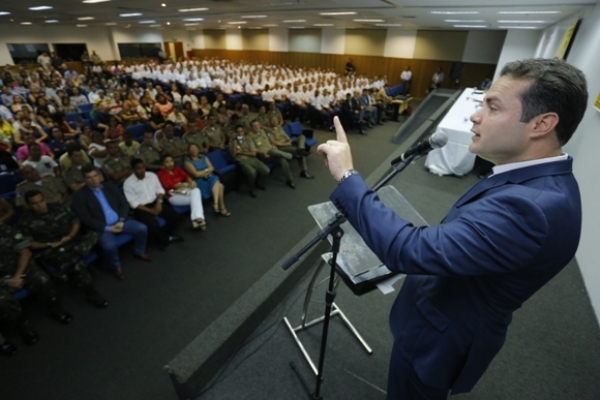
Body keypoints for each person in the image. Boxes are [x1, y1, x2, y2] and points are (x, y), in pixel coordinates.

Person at [316, 59, 588, 399]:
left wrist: (347, 176)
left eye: (492, 107)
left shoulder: (532, 208)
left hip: (438, 338)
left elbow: (409, 250)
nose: (475, 116)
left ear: (541, 124)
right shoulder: (532, 180)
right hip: (443, 310)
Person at [19, 190, 108, 308]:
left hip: (71, 240)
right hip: (53, 249)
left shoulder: (57, 207)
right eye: (35, 203)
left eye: (41, 201)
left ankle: (74, 256)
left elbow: (75, 220)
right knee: (77, 266)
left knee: (95, 234)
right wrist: (50, 244)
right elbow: (30, 244)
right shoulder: (25, 221)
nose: (40, 205)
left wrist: (71, 235)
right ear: (29, 205)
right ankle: (91, 293)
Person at [0, 223, 72, 356]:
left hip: (18, 267)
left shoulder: (3, 229)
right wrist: (6, 281)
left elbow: (25, 252)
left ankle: (54, 308)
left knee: (43, 280)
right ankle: (23, 326)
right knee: (3, 301)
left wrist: (17, 276)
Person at [71, 164, 151, 280]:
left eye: (95, 176)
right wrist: (107, 228)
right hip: (102, 227)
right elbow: (85, 219)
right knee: (109, 246)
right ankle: (116, 266)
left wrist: (122, 220)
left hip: (119, 221)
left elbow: (123, 203)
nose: (93, 180)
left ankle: (139, 251)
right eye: (89, 177)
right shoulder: (79, 196)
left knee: (142, 228)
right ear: (85, 179)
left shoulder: (109, 186)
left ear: (99, 176)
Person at [123, 158, 183, 249]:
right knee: (152, 225)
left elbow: (159, 189)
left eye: (143, 167)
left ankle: (162, 237)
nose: (142, 170)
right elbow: (133, 203)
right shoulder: (128, 183)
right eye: (138, 168)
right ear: (133, 169)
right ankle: (166, 239)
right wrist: (150, 211)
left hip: (156, 201)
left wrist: (159, 202)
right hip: (141, 208)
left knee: (175, 216)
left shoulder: (152, 175)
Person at [158, 154, 207, 230]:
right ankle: (198, 219)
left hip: (183, 191)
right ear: (163, 164)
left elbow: (186, 176)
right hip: (173, 196)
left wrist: (191, 182)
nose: (170, 163)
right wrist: (187, 185)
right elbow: (171, 185)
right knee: (196, 197)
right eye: (167, 162)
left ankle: (197, 219)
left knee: (196, 191)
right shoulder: (161, 174)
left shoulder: (176, 169)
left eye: (171, 161)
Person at [183, 143, 230, 216]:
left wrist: (203, 172)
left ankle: (216, 205)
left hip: (209, 177)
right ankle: (221, 206)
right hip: (199, 181)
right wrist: (206, 171)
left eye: (195, 148)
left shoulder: (203, 157)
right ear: (189, 151)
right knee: (218, 183)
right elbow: (196, 174)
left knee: (216, 181)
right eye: (191, 149)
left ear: (198, 149)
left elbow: (212, 168)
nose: (193, 150)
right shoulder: (187, 162)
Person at [248, 119, 296, 189]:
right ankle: (290, 156)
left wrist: (272, 145)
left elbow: (268, 141)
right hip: (264, 155)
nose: (257, 127)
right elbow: (253, 149)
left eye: (258, 125)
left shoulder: (262, 131)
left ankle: (289, 180)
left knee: (282, 160)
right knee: (273, 152)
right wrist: (263, 152)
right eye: (255, 126)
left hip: (272, 152)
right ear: (251, 127)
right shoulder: (249, 136)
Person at [229, 124, 269, 198]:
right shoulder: (232, 142)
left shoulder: (248, 138)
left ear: (243, 131)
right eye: (238, 132)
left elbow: (253, 153)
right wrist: (234, 140)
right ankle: (251, 188)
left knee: (266, 171)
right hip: (242, 161)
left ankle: (259, 182)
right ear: (235, 133)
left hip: (252, 158)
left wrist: (240, 152)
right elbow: (233, 155)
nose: (240, 133)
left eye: (241, 131)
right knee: (252, 173)